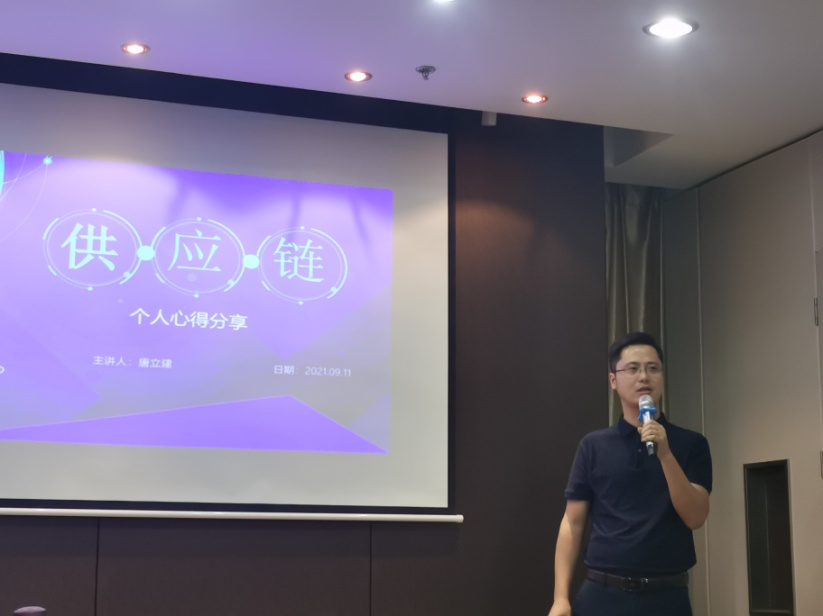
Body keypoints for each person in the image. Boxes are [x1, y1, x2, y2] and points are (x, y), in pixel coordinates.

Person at [547, 332, 712, 616]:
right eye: (633, 369)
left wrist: (666, 455)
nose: (644, 377)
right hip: (601, 594)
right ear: (613, 380)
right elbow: (572, 523)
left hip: (666, 596)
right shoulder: (593, 446)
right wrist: (560, 597)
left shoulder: (691, 444)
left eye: (653, 368)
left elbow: (696, 516)